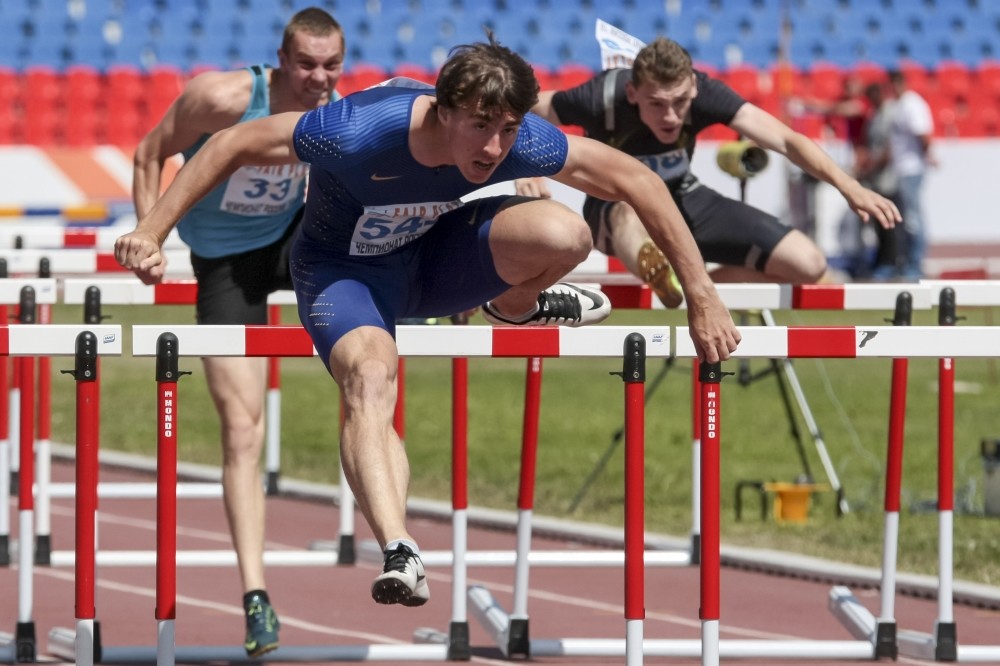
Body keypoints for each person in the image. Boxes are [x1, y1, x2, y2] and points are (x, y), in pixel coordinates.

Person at [115, 33, 741, 609]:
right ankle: (400, 549)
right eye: (480, 128)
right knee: (369, 376)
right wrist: (152, 230)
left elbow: (635, 179)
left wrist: (702, 294)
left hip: (435, 260)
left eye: (507, 130)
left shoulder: (517, 140)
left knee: (566, 230)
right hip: (345, 270)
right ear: (443, 111)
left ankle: (514, 307)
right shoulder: (354, 131)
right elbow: (230, 144)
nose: (494, 148)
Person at [129, 7, 345, 656]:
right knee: (242, 426)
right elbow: (148, 154)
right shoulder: (221, 98)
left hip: (294, 240)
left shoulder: (337, 110)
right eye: (306, 64)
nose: (319, 78)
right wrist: (150, 236)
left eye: (331, 65)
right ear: (280, 60)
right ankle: (257, 595)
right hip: (225, 264)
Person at [516, 37, 901, 307]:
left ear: (694, 89)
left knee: (809, 263)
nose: (670, 116)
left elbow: (785, 140)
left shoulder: (706, 93)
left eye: (680, 102)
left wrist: (849, 186)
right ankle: (668, 273)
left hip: (684, 197)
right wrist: (522, 164)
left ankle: (693, 290)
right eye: (657, 104)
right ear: (633, 94)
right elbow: (519, 110)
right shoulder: (602, 97)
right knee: (629, 206)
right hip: (616, 208)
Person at [887, 69, 936, 279]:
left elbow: (922, 134)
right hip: (903, 168)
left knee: (913, 217)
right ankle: (906, 261)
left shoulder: (911, 104)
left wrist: (926, 155)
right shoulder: (901, 105)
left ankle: (916, 263)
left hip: (912, 168)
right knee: (905, 217)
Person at [856, 81, 903, 280]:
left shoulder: (891, 115)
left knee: (890, 222)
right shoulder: (874, 116)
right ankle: (881, 260)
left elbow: (890, 149)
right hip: (876, 178)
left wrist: (871, 167)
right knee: (878, 223)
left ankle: (892, 262)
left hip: (888, 178)